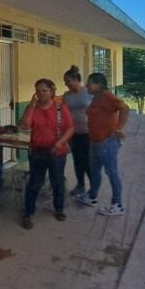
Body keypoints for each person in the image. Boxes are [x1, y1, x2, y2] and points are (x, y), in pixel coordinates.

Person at [19, 78, 74, 229]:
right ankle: (28, 213)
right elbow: (24, 126)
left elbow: (70, 128)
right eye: (38, 91)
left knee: (57, 181)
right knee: (35, 183)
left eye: (44, 91)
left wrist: (60, 142)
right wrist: (31, 106)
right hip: (37, 151)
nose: (41, 94)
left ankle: (59, 209)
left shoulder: (59, 108)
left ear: (51, 92)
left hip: (57, 151)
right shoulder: (33, 108)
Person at [81, 72, 130, 215]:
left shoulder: (108, 96)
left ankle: (118, 204)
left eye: (90, 83)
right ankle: (92, 196)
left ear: (99, 84)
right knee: (94, 171)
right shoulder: (97, 97)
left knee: (111, 172)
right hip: (95, 141)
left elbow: (124, 108)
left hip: (107, 141)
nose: (87, 85)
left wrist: (119, 128)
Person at [62, 65, 93, 200]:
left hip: (88, 133)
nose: (66, 84)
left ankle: (94, 187)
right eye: (65, 81)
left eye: (68, 81)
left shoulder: (88, 93)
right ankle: (80, 185)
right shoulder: (66, 96)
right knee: (77, 160)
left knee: (87, 161)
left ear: (76, 80)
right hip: (73, 133)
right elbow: (62, 113)